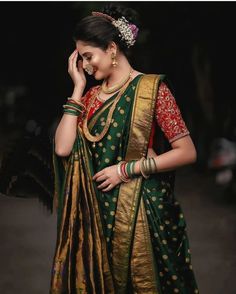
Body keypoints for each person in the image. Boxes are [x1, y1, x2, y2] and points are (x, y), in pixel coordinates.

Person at [50, 4, 199, 294]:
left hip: (143, 213)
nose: (86, 66)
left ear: (112, 48)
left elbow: (187, 151)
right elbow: (63, 148)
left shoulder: (153, 90)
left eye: (88, 57)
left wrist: (127, 169)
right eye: (81, 60)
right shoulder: (90, 96)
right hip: (96, 216)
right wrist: (77, 87)